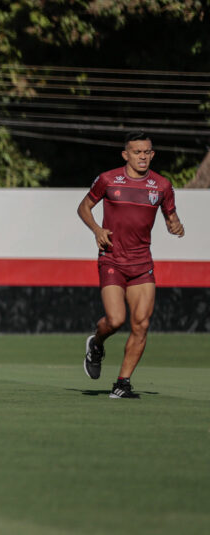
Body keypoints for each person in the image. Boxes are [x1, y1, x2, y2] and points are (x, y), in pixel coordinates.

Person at [78, 131, 185, 399]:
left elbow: (171, 217)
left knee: (141, 324)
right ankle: (97, 342)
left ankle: (122, 383)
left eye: (147, 152)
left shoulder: (162, 185)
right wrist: (96, 230)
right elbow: (84, 207)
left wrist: (176, 226)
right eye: (137, 152)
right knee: (116, 320)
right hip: (112, 258)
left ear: (152, 154)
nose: (142, 156)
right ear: (126, 155)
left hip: (142, 264)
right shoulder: (108, 179)